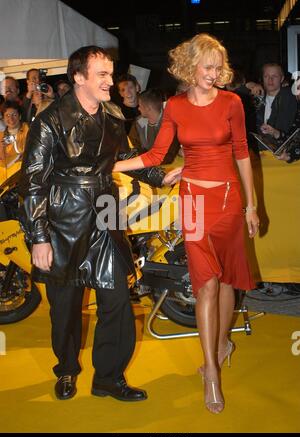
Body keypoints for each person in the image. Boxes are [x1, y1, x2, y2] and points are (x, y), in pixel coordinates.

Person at [113, 33, 259, 414]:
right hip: (192, 201)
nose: (214, 74)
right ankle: (211, 369)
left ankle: (223, 341)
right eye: (208, 67)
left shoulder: (232, 102)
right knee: (204, 284)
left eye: (218, 67)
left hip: (228, 201)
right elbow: (157, 154)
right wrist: (114, 164)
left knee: (227, 279)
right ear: (191, 66)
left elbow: (242, 153)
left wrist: (252, 207)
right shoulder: (175, 106)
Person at [18, 45, 164, 402]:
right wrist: (39, 238)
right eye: (102, 75)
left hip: (105, 213)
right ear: (79, 77)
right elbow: (32, 181)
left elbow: (125, 155)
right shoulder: (49, 120)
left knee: (117, 302)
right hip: (63, 221)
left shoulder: (113, 113)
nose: (111, 82)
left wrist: (160, 173)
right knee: (65, 309)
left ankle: (108, 379)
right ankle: (67, 369)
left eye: (111, 74)